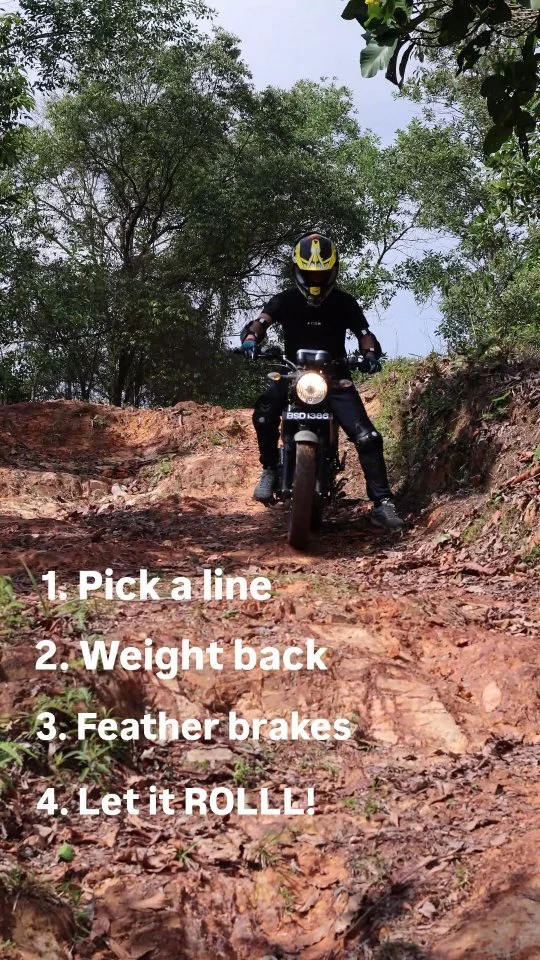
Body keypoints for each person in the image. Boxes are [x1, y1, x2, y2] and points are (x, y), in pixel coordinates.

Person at [240, 231, 404, 532]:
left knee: (368, 437)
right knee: (264, 415)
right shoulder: (285, 300)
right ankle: (271, 468)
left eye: (321, 273)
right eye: (310, 273)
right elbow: (262, 321)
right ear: (298, 270)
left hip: (335, 375)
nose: (315, 280)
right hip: (292, 373)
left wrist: (369, 354)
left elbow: (364, 333)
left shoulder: (344, 302)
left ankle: (383, 504)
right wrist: (251, 339)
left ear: (333, 270)